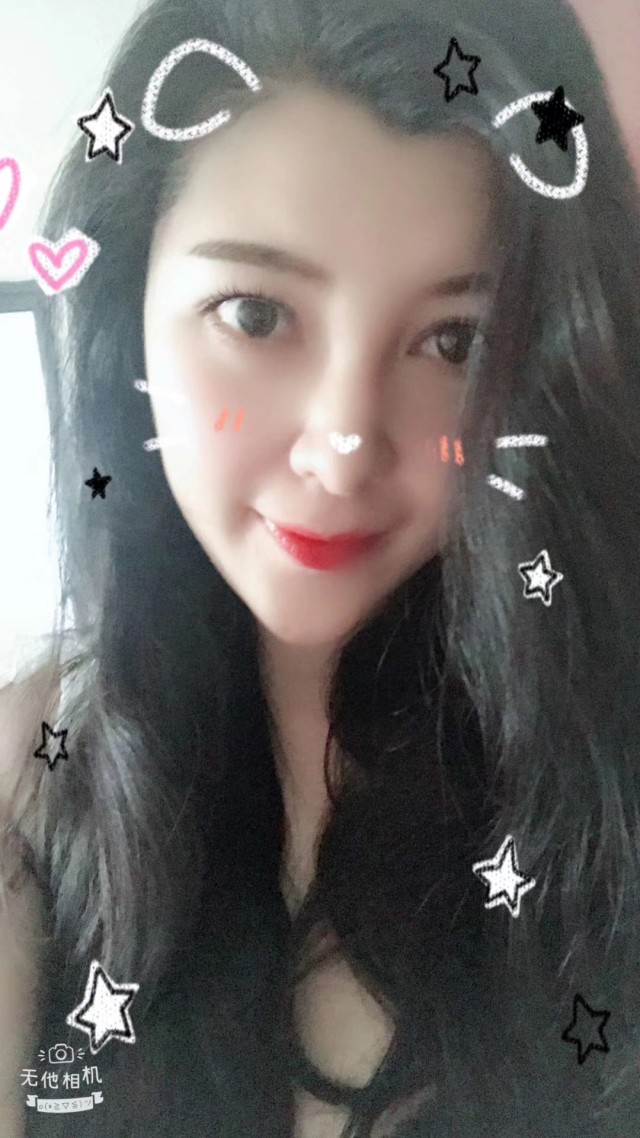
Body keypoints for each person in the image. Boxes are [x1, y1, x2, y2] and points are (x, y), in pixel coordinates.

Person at [1, 0, 640, 1133]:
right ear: (126, 310)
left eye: (455, 341)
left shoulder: (599, 773)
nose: (343, 449)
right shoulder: (31, 774)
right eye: (255, 314)